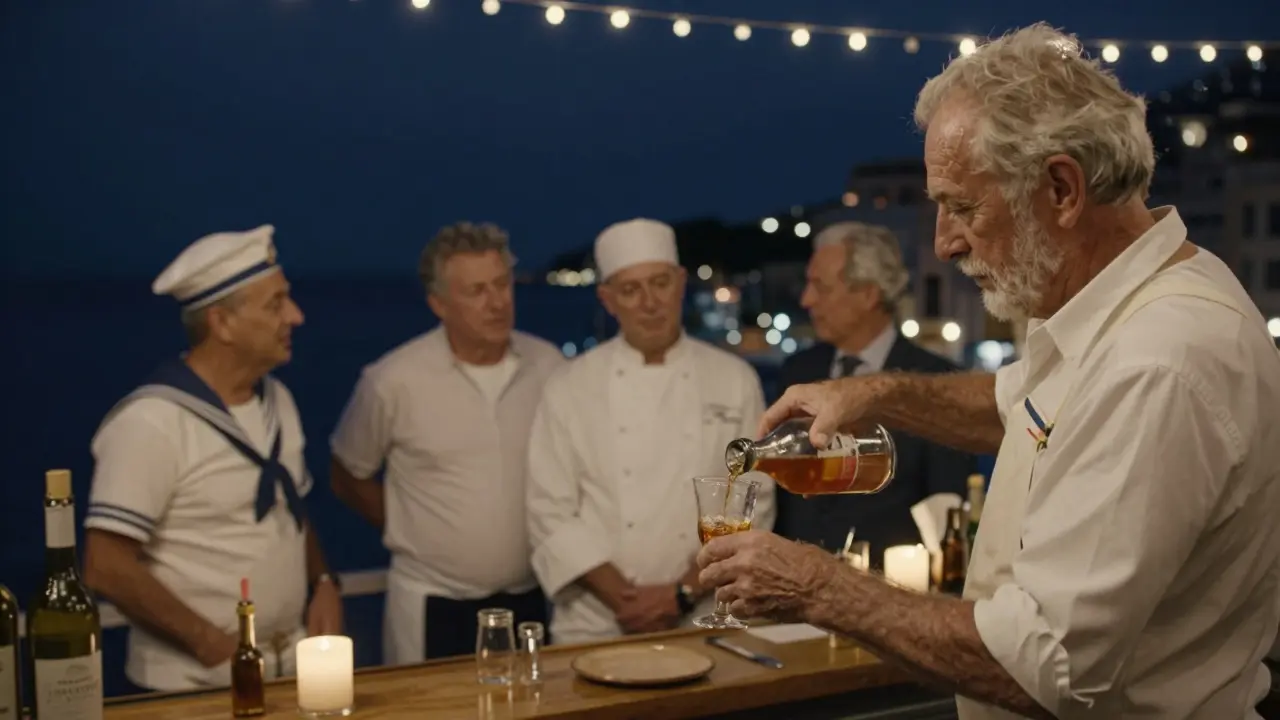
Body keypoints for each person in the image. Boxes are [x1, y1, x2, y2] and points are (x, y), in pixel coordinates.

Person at [696, 23, 1280, 720]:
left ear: (1062, 189)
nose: (943, 243)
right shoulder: (1114, 304)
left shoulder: (1158, 360)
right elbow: (1011, 408)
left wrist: (817, 587)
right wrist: (873, 391)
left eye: (963, 206)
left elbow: (1044, 663)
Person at [83, 225, 342, 691]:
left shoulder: (278, 400)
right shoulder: (152, 423)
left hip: (285, 671)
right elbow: (106, 565)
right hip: (192, 685)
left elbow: (288, 506)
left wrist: (322, 579)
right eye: (276, 304)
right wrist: (212, 646)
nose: (297, 316)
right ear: (222, 323)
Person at [526, 217, 775, 646]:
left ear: (680, 283)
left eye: (660, 283)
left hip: (705, 616)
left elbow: (752, 498)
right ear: (607, 299)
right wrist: (628, 601)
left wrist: (681, 593)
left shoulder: (734, 380)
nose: (649, 302)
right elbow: (549, 510)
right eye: (630, 289)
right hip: (597, 624)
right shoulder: (569, 386)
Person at [330, 222, 564, 663]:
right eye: (476, 291)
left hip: (530, 599)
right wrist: (408, 527)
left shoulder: (548, 366)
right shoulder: (393, 381)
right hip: (432, 604)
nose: (496, 303)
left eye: (501, 284)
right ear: (439, 303)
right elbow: (347, 474)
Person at [775, 220, 977, 563]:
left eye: (820, 287)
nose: (806, 300)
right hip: (795, 593)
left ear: (868, 294)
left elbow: (948, 509)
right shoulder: (798, 373)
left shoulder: (935, 381)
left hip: (890, 594)